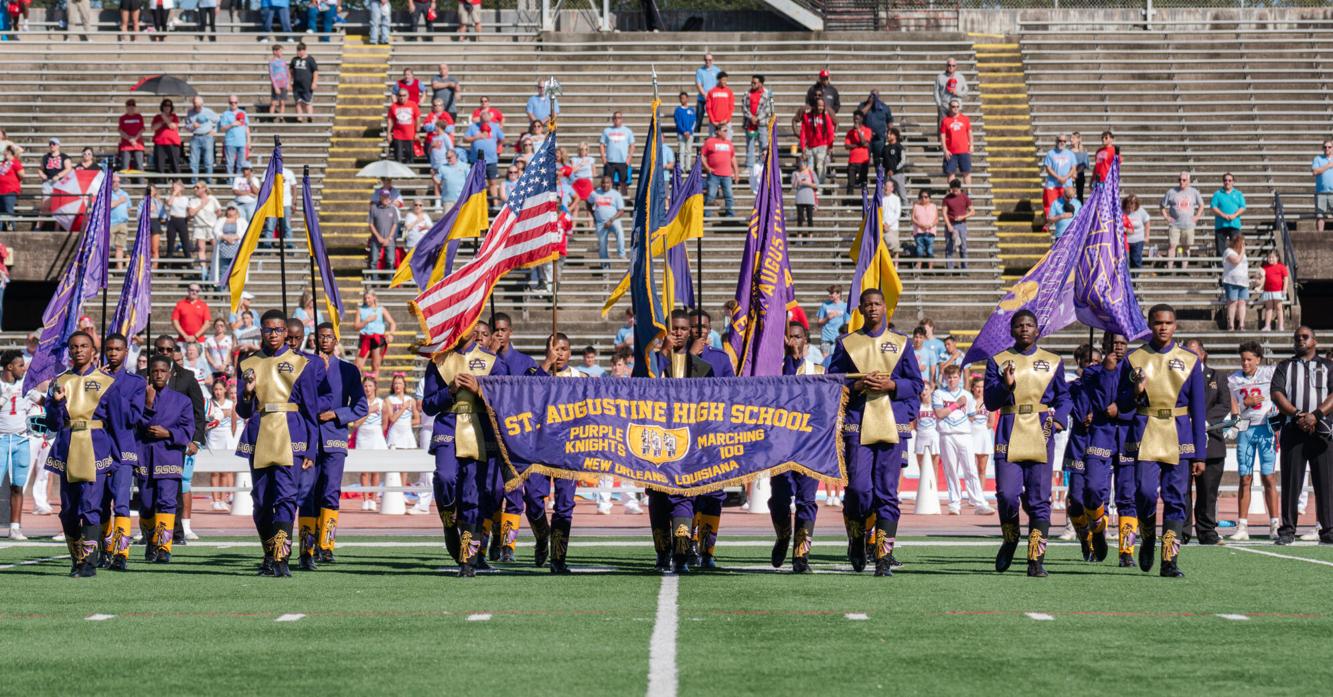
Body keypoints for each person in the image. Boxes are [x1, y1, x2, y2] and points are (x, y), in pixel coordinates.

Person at [828, 289, 924, 576]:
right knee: (858, 489)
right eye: (867, 304)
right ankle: (857, 537)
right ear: (860, 308)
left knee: (886, 492)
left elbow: (916, 385)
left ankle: (883, 555)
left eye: (877, 303)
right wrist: (857, 386)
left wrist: (892, 386)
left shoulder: (901, 343)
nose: (872, 308)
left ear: (885, 308)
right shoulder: (847, 343)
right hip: (857, 423)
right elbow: (833, 381)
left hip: (890, 425)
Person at [1116, 304, 1206, 577]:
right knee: (1143, 493)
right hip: (1146, 432)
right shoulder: (1134, 359)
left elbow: (1199, 410)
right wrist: (1135, 391)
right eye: (1157, 323)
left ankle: (1170, 561)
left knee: (1176, 498)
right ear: (1150, 325)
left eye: (1168, 323)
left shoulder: (1190, 360)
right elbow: (1122, 404)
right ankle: (1146, 537)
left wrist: (1200, 454)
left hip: (1179, 432)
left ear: (1175, 325)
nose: (1163, 327)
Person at [983, 309, 1071, 577]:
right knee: (1007, 495)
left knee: (1038, 499)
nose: (1024, 328)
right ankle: (1010, 538)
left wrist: (1059, 420)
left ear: (1037, 330)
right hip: (1009, 431)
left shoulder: (1053, 361)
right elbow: (990, 401)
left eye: (1029, 325)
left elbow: (1064, 398)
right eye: (1019, 325)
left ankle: (1036, 559)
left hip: (1040, 432)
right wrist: (1006, 386)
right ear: (1011, 330)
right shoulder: (998, 361)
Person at [235, 310, 322, 577]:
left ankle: (281, 558)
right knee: (261, 501)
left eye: (278, 330)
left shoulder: (300, 363)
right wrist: (247, 394)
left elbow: (311, 410)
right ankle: (268, 553)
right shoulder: (248, 363)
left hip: (291, 432)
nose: (273, 334)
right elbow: (243, 411)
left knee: (286, 497)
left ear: (286, 333)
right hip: (260, 432)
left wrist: (311, 447)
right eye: (268, 330)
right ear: (261, 332)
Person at [421, 322, 509, 577]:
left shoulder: (492, 361)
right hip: (448, 425)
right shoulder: (439, 361)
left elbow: (504, 400)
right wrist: (449, 391)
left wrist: (480, 390)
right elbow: (427, 405)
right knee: (446, 477)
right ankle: (448, 521)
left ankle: (467, 561)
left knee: (473, 493)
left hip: (478, 430)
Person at [45, 332, 131, 577]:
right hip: (67, 447)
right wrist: (56, 403)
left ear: (93, 350)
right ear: (69, 351)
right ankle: (76, 559)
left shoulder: (106, 381)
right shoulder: (60, 381)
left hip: (97, 448)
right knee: (69, 509)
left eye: (84, 346)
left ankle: (88, 563)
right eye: (74, 346)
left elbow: (117, 422)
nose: (79, 350)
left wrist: (121, 456)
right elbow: (53, 423)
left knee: (90, 506)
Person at [647, 310, 715, 574]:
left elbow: (711, 408)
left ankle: (682, 554)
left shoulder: (702, 369)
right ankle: (662, 553)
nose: (678, 333)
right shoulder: (651, 364)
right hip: (655, 442)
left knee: (685, 497)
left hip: (689, 445)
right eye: (673, 328)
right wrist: (661, 358)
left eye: (684, 328)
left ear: (690, 332)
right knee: (659, 498)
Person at [1270, 326, 1333, 545]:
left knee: (1325, 482)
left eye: (1305, 337)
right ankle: (1287, 530)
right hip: (1293, 430)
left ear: (1314, 341)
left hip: (1321, 431)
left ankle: (1328, 530)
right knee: (1291, 483)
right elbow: (1277, 393)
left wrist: (1316, 415)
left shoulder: (1327, 366)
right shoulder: (1284, 366)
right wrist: (1298, 415)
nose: (1300, 340)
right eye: (1297, 338)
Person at [770, 321, 823, 573]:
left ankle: (801, 554)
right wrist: (790, 360)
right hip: (781, 444)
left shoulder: (818, 370)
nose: (793, 341)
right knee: (780, 498)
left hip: (810, 445)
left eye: (798, 337)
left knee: (807, 500)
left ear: (806, 341)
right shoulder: (775, 370)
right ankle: (783, 536)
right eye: (789, 337)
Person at [1068, 333, 1124, 563]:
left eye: (1095, 361)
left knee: (1097, 491)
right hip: (1079, 442)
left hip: (1100, 441)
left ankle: (1099, 531)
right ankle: (1084, 539)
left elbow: (1108, 402)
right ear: (1079, 365)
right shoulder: (1074, 386)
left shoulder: (1107, 379)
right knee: (1075, 500)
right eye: (1086, 362)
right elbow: (1072, 408)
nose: (1091, 365)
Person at [137, 355, 195, 564]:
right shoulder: (140, 397)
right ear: (149, 374)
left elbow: (188, 429)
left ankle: (163, 547)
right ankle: (151, 539)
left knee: (167, 502)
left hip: (169, 455)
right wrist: (148, 403)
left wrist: (169, 434)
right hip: (144, 455)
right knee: (145, 503)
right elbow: (134, 423)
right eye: (155, 371)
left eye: (163, 371)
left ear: (169, 374)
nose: (159, 374)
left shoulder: (182, 401)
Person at [1225, 341, 1279, 541]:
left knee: (1269, 477)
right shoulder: (1233, 379)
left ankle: (1274, 523)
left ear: (1258, 359)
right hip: (1246, 429)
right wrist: (1244, 403)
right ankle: (1242, 526)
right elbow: (1234, 409)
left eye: (1249, 359)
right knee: (1244, 477)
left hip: (1265, 429)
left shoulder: (1269, 374)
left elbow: (1281, 392)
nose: (1245, 363)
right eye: (1243, 359)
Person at [1183, 339, 1228, 546]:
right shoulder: (1178, 376)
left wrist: (1202, 421)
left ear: (1203, 354)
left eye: (1193, 352)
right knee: (1181, 489)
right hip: (1183, 439)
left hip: (1212, 441)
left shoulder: (1217, 376)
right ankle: (1181, 531)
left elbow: (1224, 404)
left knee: (1208, 491)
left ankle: (1207, 531)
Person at [936, 364, 987, 515]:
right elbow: (939, 413)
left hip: (964, 434)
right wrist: (956, 405)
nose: (952, 380)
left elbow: (971, 416)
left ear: (960, 378)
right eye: (949, 377)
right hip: (946, 434)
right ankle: (954, 503)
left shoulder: (967, 395)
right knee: (951, 469)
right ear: (945, 378)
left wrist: (963, 416)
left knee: (970, 469)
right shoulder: (938, 394)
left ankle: (978, 502)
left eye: (955, 377)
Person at [1, 351, 38, 541]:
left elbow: (43, 400)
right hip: (0, 439)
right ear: (10, 367)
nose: (24, 369)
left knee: (18, 485)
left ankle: (15, 527)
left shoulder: (26, 386)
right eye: (20, 365)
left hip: (21, 439)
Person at [353, 377, 386, 512]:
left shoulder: (382, 402)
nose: (367, 389)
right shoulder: (359, 403)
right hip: (363, 436)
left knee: (375, 471)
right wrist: (369, 411)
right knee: (364, 471)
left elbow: (385, 422)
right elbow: (355, 424)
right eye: (365, 386)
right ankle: (365, 499)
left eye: (370, 386)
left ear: (375, 388)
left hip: (376, 436)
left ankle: (373, 499)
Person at [1160, 172, 1204, 267]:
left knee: (1186, 247)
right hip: (1175, 224)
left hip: (1189, 224)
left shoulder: (1194, 192)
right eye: (1179, 180)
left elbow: (1201, 205)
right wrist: (1167, 217)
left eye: (1184, 180)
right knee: (1172, 246)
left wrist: (1197, 216)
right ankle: (1169, 269)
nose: (1181, 182)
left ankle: (1184, 269)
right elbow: (1162, 205)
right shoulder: (1171, 192)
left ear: (1188, 181)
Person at [205, 379, 236, 512]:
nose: (218, 392)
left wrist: (232, 436)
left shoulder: (231, 403)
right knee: (214, 471)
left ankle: (222, 499)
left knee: (225, 470)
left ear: (225, 390)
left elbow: (234, 421)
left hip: (226, 437)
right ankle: (215, 500)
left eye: (220, 389)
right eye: (215, 389)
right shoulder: (210, 403)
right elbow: (206, 420)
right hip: (213, 437)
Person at [354, 290, 396, 376]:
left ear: (374, 297)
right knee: (357, 366)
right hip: (365, 338)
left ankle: (373, 387)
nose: (367, 300)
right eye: (365, 298)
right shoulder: (360, 310)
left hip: (377, 339)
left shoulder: (381, 309)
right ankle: (357, 387)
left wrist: (391, 334)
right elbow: (356, 327)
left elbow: (392, 323)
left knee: (376, 366)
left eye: (369, 297)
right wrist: (366, 321)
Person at [589, 175, 627, 269]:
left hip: (614, 220)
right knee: (602, 244)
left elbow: (621, 211)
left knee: (620, 231)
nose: (605, 185)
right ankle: (605, 264)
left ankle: (621, 253)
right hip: (600, 222)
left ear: (611, 183)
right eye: (603, 183)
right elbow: (588, 203)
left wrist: (611, 220)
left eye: (607, 183)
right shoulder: (595, 193)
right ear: (600, 183)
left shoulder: (616, 194)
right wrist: (594, 215)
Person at [464, 110, 504, 197]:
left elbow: (502, 138)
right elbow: (465, 139)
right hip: (477, 160)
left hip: (491, 160)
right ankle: (478, 203)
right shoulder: (473, 127)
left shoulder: (495, 127)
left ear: (490, 117)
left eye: (487, 115)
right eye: (483, 116)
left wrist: (498, 147)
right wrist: (476, 137)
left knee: (492, 182)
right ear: (480, 117)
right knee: (477, 182)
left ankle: (495, 204)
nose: (485, 117)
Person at [701, 125, 737, 218]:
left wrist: (736, 172)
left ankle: (730, 214)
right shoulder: (709, 142)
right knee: (711, 195)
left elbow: (733, 158)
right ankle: (707, 215)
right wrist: (707, 167)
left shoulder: (729, 143)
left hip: (727, 174)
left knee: (729, 195)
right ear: (718, 132)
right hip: (714, 174)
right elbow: (702, 156)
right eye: (724, 130)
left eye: (727, 130)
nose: (726, 132)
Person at [188, 183, 223, 281]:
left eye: (198, 187)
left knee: (215, 246)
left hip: (211, 226)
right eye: (194, 187)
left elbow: (219, 211)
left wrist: (215, 216)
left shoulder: (212, 198)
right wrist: (201, 205)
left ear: (204, 189)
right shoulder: (193, 200)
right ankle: (203, 268)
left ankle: (215, 265)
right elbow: (191, 213)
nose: (195, 189)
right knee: (200, 248)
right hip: (199, 226)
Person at [799, 97, 836, 185]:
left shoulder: (826, 117)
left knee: (820, 168)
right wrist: (803, 148)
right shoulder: (806, 116)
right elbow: (803, 133)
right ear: (814, 106)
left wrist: (830, 146)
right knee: (809, 169)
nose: (821, 108)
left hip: (822, 147)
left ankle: (820, 189)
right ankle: (812, 190)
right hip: (810, 147)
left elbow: (830, 132)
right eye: (819, 106)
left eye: (822, 106)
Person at [742, 75, 773, 176]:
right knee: (750, 145)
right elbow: (744, 108)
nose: (752, 84)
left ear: (760, 84)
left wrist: (757, 118)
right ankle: (750, 167)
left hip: (762, 124)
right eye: (752, 82)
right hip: (750, 123)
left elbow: (768, 109)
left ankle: (762, 165)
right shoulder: (747, 93)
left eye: (754, 83)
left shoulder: (767, 94)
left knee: (763, 145)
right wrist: (751, 117)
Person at [1210, 173, 1246, 258]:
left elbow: (1243, 207)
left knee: (1236, 248)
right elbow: (1213, 207)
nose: (1227, 182)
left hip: (1234, 224)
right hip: (1221, 225)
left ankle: (1235, 268)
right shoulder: (1217, 194)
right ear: (1223, 182)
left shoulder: (1238, 194)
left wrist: (1234, 215)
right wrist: (1223, 215)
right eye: (1225, 180)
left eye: (1230, 180)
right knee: (1220, 250)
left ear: (1233, 182)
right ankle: (1221, 270)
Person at [185, 96, 219, 185]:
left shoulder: (208, 111)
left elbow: (219, 120)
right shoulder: (190, 112)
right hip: (195, 137)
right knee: (193, 162)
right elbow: (187, 126)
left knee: (208, 161)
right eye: (196, 105)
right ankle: (194, 182)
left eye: (200, 105)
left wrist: (214, 130)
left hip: (207, 137)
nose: (198, 107)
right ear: (193, 104)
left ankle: (208, 182)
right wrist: (192, 126)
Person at [599, 111, 634, 195]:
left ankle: (624, 202)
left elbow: (632, 145)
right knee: (608, 183)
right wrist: (603, 158)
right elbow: (602, 145)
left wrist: (629, 159)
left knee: (623, 183)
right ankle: (610, 202)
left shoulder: (627, 131)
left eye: (619, 118)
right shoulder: (607, 130)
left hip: (622, 161)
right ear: (612, 119)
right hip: (610, 161)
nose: (616, 119)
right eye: (615, 117)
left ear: (622, 119)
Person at [1041, 134, 1075, 219]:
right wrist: (1058, 177)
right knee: (1050, 206)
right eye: (1060, 141)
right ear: (1056, 141)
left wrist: (1065, 178)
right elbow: (1048, 168)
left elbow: (1073, 168)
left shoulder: (1070, 154)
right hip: (1053, 184)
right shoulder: (1050, 153)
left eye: (1064, 141)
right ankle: (1048, 226)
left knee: (1067, 207)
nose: (1062, 143)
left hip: (1066, 185)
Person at [939, 99, 972, 186]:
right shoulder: (945, 121)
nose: (955, 108)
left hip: (964, 150)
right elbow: (942, 136)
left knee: (967, 172)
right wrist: (945, 149)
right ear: (949, 107)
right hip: (951, 152)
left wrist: (971, 145)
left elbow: (969, 133)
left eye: (957, 106)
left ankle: (968, 192)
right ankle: (952, 193)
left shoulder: (965, 119)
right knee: (950, 173)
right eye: (953, 106)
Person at [941, 179, 973, 270]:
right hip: (950, 224)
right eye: (953, 190)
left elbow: (972, 211)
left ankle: (965, 269)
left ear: (960, 188)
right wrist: (949, 225)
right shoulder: (947, 198)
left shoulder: (965, 197)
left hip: (961, 224)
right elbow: (944, 213)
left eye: (956, 190)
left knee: (963, 246)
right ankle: (950, 269)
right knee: (949, 247)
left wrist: (963, 217)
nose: (954, 192)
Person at [1221, 233, 1249, 332]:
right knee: (1232, 302)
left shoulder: (1242, 253)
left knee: (1242, 302)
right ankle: (1231, 324)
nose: (1243, 245)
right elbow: (1236, 261)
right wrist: (1243, 251)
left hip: (1243, 282)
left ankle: (1241, 324)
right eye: (1242, 243)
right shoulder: (1228, 251)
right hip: (1231, 281)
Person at [367, 189, 400, 271]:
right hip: (376, 239)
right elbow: (370, 224)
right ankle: (374, 283)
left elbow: (395, 224)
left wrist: (388, 238)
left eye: (387, 197)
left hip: (390, 240)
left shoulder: (393, 209)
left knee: (391, 261)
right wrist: (378, 237)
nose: (386, 199)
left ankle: (389, 282)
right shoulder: (374, 208)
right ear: (380, 197)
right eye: (384, 197)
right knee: (373, 261)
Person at [386, 91, 420, 165]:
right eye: (400, 95)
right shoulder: (393, 106)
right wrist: (388, 133)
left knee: (410, 158)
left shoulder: (413, 105)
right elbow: (390, 120)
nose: (402, 97)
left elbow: (418, 119)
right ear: (397, 96)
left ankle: (409, 175)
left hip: (410, 136)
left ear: (408, 96)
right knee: (398, 157)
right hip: (398, 135)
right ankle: (398, 176)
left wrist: (417, 132)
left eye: (404, 95)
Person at [1260, 250, 1290, 333]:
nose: (1270, 259)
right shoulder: (1265, 267)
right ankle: (1267, 326)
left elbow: (1286, 279)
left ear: (1277, 258)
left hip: (1278, 291)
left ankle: (1280, 326)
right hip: (1267, 291)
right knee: (1268, 308)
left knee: (1279, 308)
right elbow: (1261, 278)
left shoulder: (1281, 267)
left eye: (1273, 257)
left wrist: (1284, 289)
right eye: (1269, 257)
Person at [289, 43, 319, 123]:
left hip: (307, 86)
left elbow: (315, 72)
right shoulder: (294, 60)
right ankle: (299, 118)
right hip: (296, 86)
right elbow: (291, 72)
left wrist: (314, 83)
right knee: (298, 102)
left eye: (300, 51)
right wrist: (289, 82)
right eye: (297, 50)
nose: (298, 52)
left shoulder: (310, 59)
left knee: (307, 102)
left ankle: (310, 117)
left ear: (305, 50)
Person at [843, 112, 872, 195]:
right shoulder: (850, 132)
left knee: (863, 183)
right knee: (850, 183)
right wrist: (857, 145)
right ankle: (849, 205)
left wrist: (858, 131)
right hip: (852, 161)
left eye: (857, 119)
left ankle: (865, 203)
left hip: (863, 161)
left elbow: (864, 143)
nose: (856, 120)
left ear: (862, 119)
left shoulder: (867, 130)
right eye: (854, 118)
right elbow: (847, 146)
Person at [151, 100, 182, 174]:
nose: (167, 107)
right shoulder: (157, 117)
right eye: (165, 105)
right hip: (160, 143)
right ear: (162, 107)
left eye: (169, 105)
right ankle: (160, 183)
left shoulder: (174, 116)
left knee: (175, 164)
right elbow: (154, 128)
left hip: (172, 143)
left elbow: (172, 126)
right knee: (159, 165)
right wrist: (163, 121)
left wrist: (165, 118)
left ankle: (176, 182)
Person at [934, 57, 968, 126]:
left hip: (956, 108)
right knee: (943, 128)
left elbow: (966, 91)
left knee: (956, 128)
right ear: (946, 66)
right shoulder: (940, 77)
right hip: (944, 107)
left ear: (956, 67)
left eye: (953, 65)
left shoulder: (960, 77)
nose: (951, 67)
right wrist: (939, 104)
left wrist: (957, 93)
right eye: (949, 65)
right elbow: (936, 91)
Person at [118, 99, 147, 174]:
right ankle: (123, 184)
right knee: (124, 167)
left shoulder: (139, 117)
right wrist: (130, 139)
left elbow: (142, 129)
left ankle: (141, 184)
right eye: (129, 105)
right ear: (126, 107)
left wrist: (135, 139)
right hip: (126, 145)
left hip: (138, 145)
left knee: (139, 166)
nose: (131, 107)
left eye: (133, 105)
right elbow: (121, 131)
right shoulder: (122, 118)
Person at [815, 285, 846, 356]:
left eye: (832, 293)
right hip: (826, 339)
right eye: (829, 293)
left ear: (838, 294)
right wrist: (827, 318)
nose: (829, 295)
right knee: (826, 361)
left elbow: (847, 323)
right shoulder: (824, 305)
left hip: (839, 338)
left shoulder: (845, 306)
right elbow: (818, 324)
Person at [694, 53, 720, 134]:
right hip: (702, 99)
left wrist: (713, 96)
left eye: (709, 60)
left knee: (715, 119)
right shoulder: (700, 71)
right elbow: (698, 85)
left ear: (713, 60)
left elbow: (719, 85)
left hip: (714, 99)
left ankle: (716, 139)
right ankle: (697, 143)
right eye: (706, 60)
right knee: (698, 120)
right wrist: (705, 95)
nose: (707, 62)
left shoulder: (717, 70)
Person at [911, 189, 938, 267]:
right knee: (919, 249)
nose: (923, 198)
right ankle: (919, 265)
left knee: (930, 250)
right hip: (919, 232)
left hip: (930, 232)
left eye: (926, 197)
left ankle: (930, 268)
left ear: (929, 198)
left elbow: (936, 219)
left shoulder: (933, 206)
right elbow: (913, 218)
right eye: (922, 197)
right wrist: (920, 225)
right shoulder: (916, 206)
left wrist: (930, 225)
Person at [704, 71, 735, 136]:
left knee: (726, 144)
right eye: (723, 80)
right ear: (718, 80)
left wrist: (726, 119)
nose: (725, 82)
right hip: (714, 124)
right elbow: (708, 108)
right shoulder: (711, 92)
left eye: (726, 80)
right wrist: (713, 121)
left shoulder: (729, 92)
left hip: (726, 123)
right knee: (714, 144)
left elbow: (731, 108)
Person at [1123, 194, 1150, 269]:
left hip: (1138, 240)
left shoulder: (1140, 210)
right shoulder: (1122, 211)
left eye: (1132, 207)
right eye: (1128, 207)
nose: (1130, 210)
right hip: (1125, 240)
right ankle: (1128, 278)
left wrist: (1147, 236)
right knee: (1126, 260)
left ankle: (1135, 278)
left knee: (1136, 260)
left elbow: (1147, 221)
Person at [1313, 139, 1333, 235]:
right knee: (1320, 216)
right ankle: (1319, 237)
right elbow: (1315, 172)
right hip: (1321, 192)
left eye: (1329, 147)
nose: (1327, 149)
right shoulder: (1318, 159)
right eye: (1325, 147)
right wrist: (1328, 166)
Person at [672, 91, 697, 171]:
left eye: (684, 98)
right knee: (681, 150)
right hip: (681, 133)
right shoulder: (678, 110)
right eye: (681, 98)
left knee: (689, 150)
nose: (683, 100)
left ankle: (688, 167)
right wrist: (684, 131)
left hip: (690, 134)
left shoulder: (691, 110)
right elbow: (678, 122)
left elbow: (694, 121)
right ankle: (681, 167)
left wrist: (689, 131)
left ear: (687, 98)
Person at [792, 159, 817, 232]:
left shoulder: (811, 173)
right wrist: (797, 180)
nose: (802, 164)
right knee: (799, 218)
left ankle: (810, 237)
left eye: (803, 162)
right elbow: (793, 186)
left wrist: (806, 183)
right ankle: (799, 237)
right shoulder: (795, 173)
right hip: (800, 198)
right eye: (800, 162)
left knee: (810, 218)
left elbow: (816, 185)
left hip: (809, 198)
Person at [0, 146, 21, 232]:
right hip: (1, 190)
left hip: (10, 190)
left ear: (9, 152)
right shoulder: (4, 162)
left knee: (9, 210)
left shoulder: (15, 162)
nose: (3, 153)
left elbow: (22, 174)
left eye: (5, 151)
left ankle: (13, 229)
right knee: (0, 212)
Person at [267, 45, 291, 117]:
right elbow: (271, 75)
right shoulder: (272, 62)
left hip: (283, 84)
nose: (281, 52)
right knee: (274, 102)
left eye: (281, 51)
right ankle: (270, 117)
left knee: (282, 102)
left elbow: (287, 73)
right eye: (280, 51)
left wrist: (288, 83)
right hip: (276, 85)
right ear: (275, 52)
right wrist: (275, 87)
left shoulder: (283, 61)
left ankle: (281, 117)